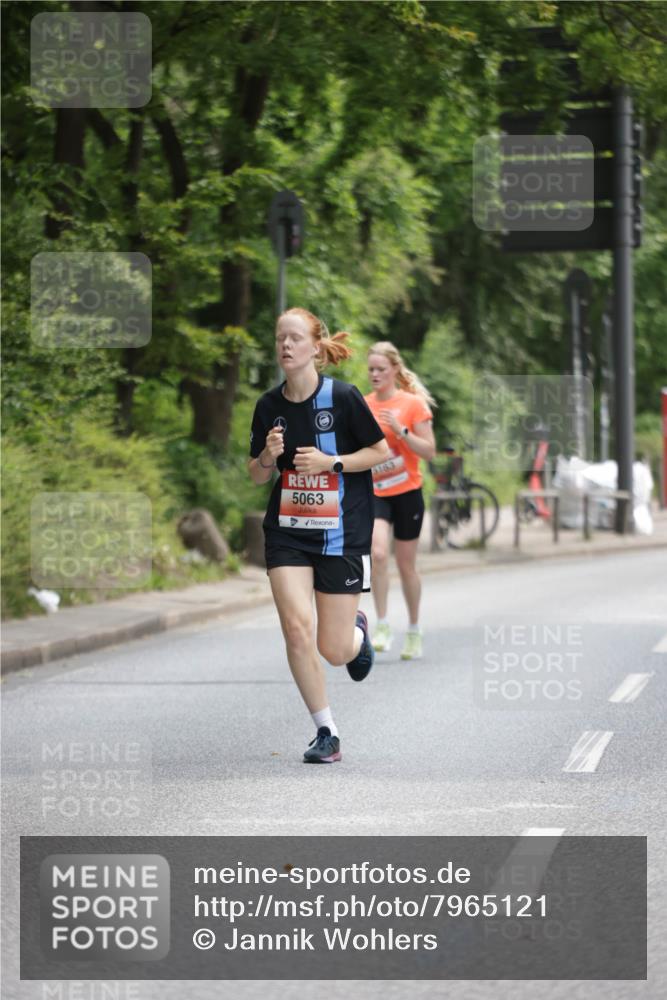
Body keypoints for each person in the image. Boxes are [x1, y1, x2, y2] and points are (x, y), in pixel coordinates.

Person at [248, 308, 389, 763]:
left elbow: (379, 452)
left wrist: (333, 464)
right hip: (287, 532)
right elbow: (254, 475)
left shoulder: (344, 398)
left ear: (314, 347)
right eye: (279, 339)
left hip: (341, 533)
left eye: (294, 339)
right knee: (295, 628)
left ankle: (356, 634)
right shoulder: (268, 406)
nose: (285, 346)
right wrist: (268, 457)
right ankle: (326, 732)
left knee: (333, 649)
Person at [364, 341, 436, 660]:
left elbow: (429, 451)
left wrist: (402, 432)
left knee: (406, 565)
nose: (375, 374)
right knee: (378, 553)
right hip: (376, 492)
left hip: (407, 492)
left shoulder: (413, 404)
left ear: (394, 369)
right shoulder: (363, 404)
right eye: (371, 370)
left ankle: (414, 629)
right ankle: (381, 625)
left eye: (381, 369)